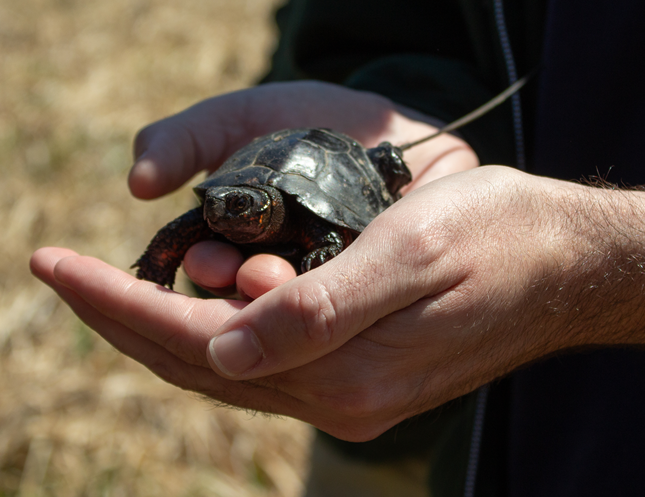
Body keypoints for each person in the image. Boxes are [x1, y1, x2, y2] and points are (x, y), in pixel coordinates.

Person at [30, 0, 645, 495]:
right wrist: (412, 97)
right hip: (386, 435)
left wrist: (597, 265)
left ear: (272, 211)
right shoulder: (223, 212)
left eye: (240, 206)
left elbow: (329, 232)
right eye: (221, 205)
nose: (223, 212)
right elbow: (386, 27)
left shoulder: (306, 219)